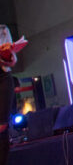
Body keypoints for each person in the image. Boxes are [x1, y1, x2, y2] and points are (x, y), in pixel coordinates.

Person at [0, 25, 16, 165]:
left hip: (3, 78)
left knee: (2, 125)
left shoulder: (3, 30)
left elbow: (12, 61)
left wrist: (7, 54)